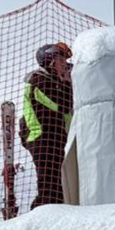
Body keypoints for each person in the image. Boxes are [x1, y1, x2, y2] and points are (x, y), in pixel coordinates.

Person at [22, 42, 72, 209]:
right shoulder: (39, 80)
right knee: (49, 187)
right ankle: (37, 222)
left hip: (58, 139)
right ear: (50, 61)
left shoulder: (55, 81)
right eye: (61, 59)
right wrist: (66, 82)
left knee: (60, 188)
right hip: (43, 139)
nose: (65, 63)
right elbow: (62, 105)